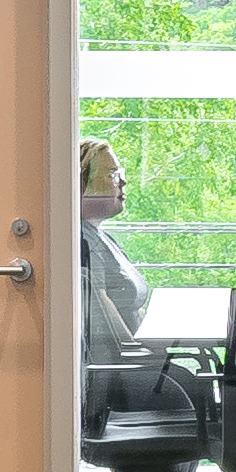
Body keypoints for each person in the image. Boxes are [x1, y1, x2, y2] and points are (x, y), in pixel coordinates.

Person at [76, 136, 156, 350]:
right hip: (123, 368)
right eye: (112, 175)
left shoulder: (102, 237)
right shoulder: (82, 242)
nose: (123, 182)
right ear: (82, 183)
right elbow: (105, 314)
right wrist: (140, 354)